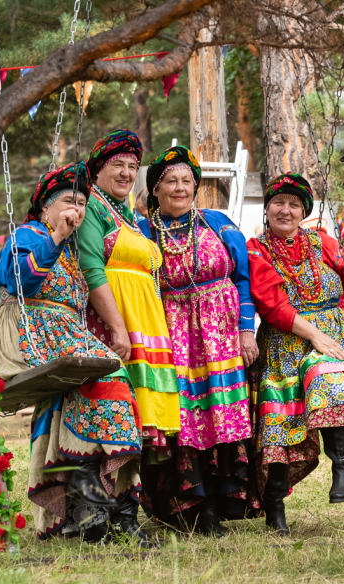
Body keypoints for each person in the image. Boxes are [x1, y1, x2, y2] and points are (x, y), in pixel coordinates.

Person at [0, 162, 147, 544]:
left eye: (81, 202)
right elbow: (18, 281)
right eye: (67, 201)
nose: (75, 209)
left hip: (66, 332)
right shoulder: (27, 234)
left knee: (103, 393)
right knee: (106, 379)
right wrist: (57, 236)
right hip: (30, 329)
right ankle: (96, 508)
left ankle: (105, 513)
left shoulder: (75, 249)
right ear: (45, 207)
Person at [139, 145, 260, 535]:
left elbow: (243, 279)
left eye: (187, 181)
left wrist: (246, 329)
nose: (179, 187)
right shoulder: (142, 233)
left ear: (196, 187)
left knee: (223, 415)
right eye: (170, 181)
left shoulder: (218, 223)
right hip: (172, 338)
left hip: (222, 337)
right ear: (155, 190)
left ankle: (229, 501)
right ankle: (198, 506)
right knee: (186, 420)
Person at [247, 173, 344, 535]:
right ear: (267, 208)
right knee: (281, 426)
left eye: (294, 204)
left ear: (304, 211)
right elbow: (272, 303)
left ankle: (342, 464)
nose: (286, 210)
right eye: (278, 202)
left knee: (331, 374)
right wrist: (314, 336)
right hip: (287, 342)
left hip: (330, 338)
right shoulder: (256, 248)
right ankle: (275, 506)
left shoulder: (323, 243)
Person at [77, 131, 181, 536]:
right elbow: (91, 267)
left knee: (138, 418)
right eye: (116, 164)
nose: (125, 172)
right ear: (98, 169)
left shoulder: (131, 217)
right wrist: (118, 327)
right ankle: (95, 513)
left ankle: (126, 515)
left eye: (132, 167)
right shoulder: (93, 210)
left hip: (145, 326)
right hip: (110, 324)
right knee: (111, 414)